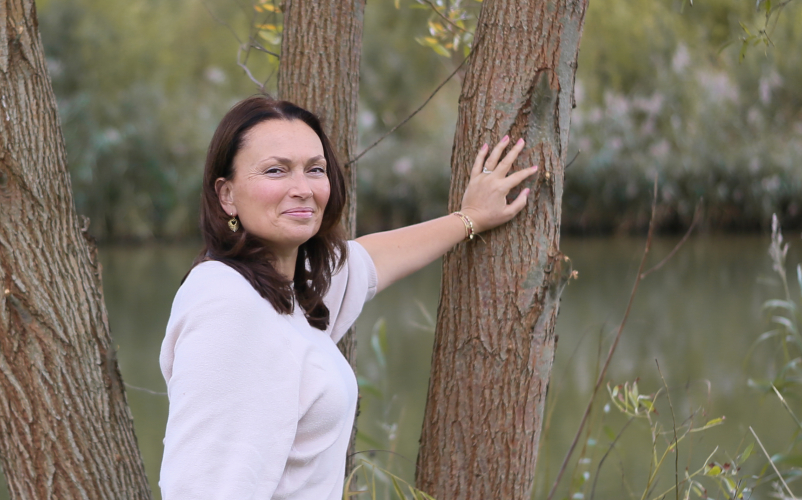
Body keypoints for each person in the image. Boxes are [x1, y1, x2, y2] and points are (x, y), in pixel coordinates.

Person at [158, 96, 536, 499]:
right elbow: (202, 487)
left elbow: (371, 260)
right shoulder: (227, 302)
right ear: (227, 195)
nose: (303, 189)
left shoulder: (285, 290)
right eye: (275, 170)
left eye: (315, 169)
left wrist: (471, 217)